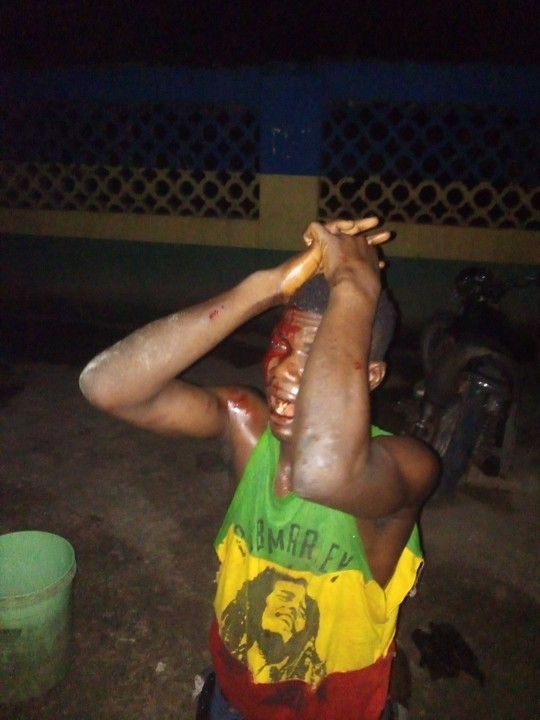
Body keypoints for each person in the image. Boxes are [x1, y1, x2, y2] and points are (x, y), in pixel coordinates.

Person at [79, 218, 438, 720]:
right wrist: (266, 288)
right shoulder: (247, 429)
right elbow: (107, 386)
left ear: (371, 375)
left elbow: (322, 471)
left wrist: (355, 283)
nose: (284, 369)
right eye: (282, 347)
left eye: (316, 357)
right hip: (235, 695)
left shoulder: (407, 465)